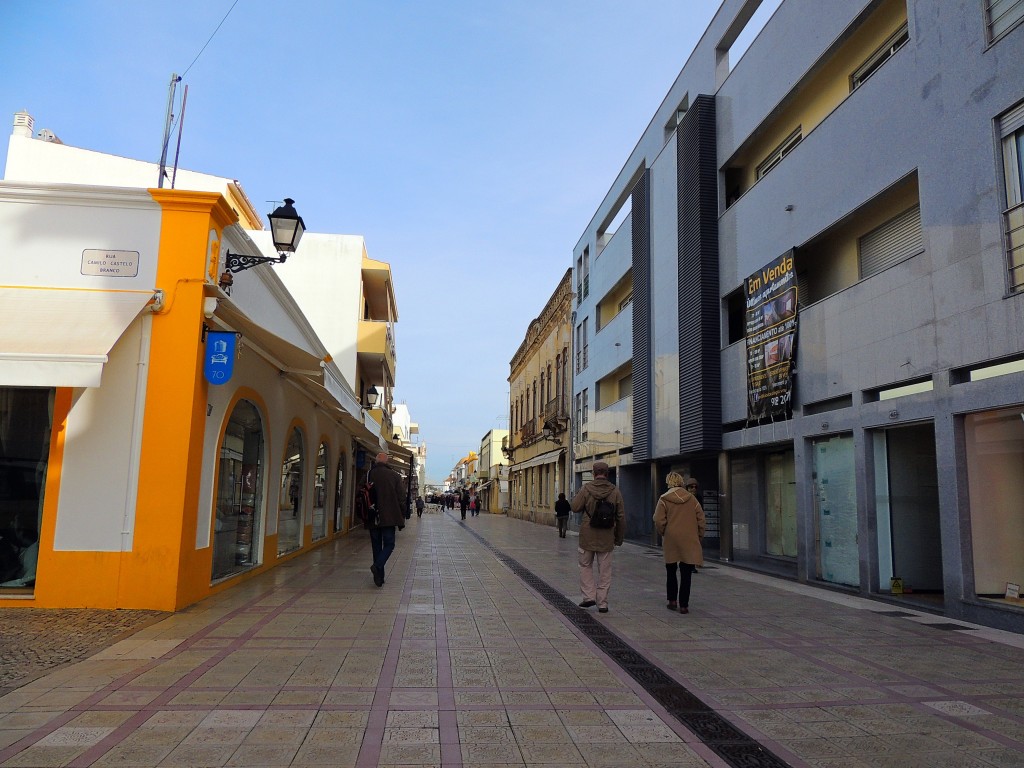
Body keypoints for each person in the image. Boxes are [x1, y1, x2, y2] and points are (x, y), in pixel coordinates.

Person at [570, 461, 624, 613]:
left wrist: (578, 496)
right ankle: (602, 603)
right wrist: (619, 538)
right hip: (607, 536)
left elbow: (575, 507)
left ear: (593, 474)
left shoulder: (586, 489)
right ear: (607, 474)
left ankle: (589, 596)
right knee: (605, 570)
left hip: (587, 535)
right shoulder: (615, 491)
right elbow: (621, 517)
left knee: (585, 565)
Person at [653, 473, 706, 614]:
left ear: (668, 482)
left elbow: (658, 519)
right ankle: (684, 605)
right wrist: (698, 536)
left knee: (671, 570)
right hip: (689, 538)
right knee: (686, 572)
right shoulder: (692, 499)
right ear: (681, 482)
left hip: (671, 538)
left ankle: (672, 600)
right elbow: (701, 519)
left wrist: (664, 532)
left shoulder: (664, 499)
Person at [367, 452, 407, 587]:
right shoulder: (395, 476)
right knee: (389, 544)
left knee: (376, 546)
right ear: (387, 462)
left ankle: (379, 578)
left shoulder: (368, 475)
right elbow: (401, 497)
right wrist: (402, 515)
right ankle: (377, 566)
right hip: (389, 516)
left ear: (376, 461)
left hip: (373, 515)